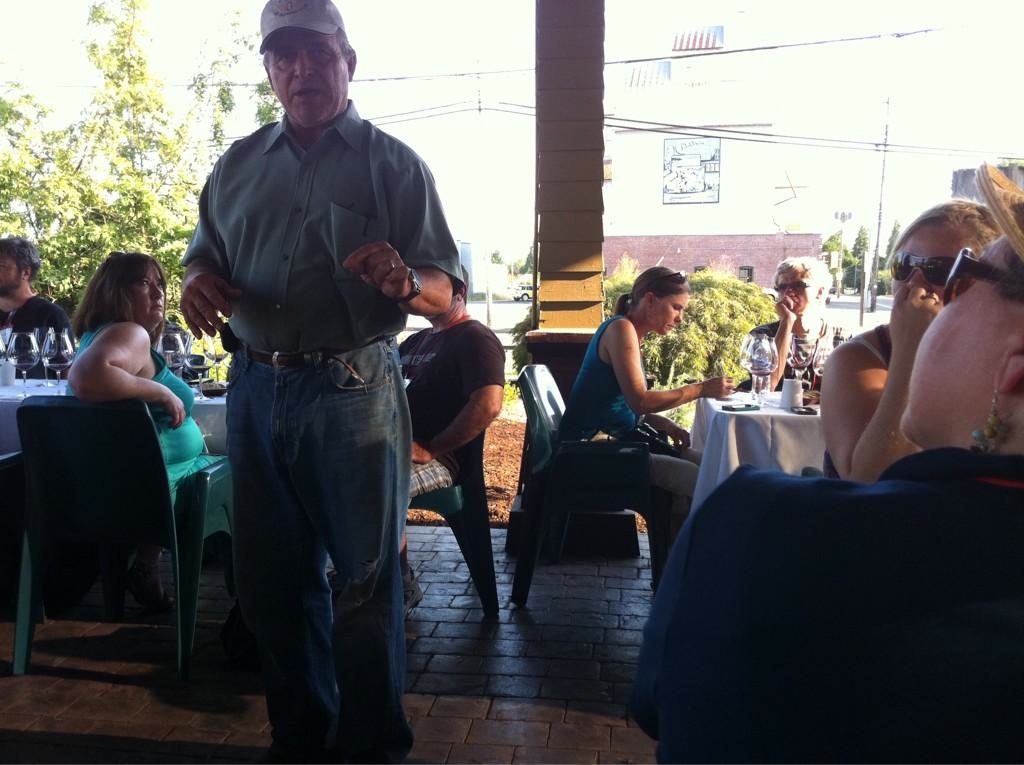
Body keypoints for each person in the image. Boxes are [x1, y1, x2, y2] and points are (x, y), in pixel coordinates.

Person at [630, 163, 1024, 763]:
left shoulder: (757, 526)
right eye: (904, 269)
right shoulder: (858, 355)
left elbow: (660, 708)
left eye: (957, 275)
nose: (915, 296)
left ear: (1014, 368)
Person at [178, 2, 461, 761]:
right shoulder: (237, 165)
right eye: (285, 56)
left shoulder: (395, 166)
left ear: (348, 61)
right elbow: (202, 255)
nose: (301, 69)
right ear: (270, 70)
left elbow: (447, 294)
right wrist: (197, 280)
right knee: (270, 584)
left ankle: (372, 748)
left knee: (365, 586)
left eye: (318, 53)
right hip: (253, 387)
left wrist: (408, 281)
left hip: (353, 391)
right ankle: (300, 740)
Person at [68, 252, 224, 611]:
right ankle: (252, 605)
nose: (159, 293)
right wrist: (161, 391)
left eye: (161, 284)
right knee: (251, 476)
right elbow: (86, 378)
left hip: (120, 489)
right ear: (115, 290)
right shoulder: (131, 332)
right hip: (155, 495)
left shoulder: (96, 336)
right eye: (143, 283)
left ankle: (146, 567)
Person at [821, 201, 999, 479]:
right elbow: (866, 482)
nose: (915, 283)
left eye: (940, 270)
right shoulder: (858, 358)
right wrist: (913, 351)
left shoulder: (1002, 358)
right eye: (904, 265)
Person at [559, 267, 734, 530]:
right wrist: (700, 389)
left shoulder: (627, 330)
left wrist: (665, 424)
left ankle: (675, 544)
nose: (680, 319)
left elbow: (623, 407)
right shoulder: (620, 329)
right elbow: (640, 401)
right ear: (650, 300)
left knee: (714, 465)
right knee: (701, 478)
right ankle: (682, 551)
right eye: (676, 308)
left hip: (613, 443)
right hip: (589, 453)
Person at [398, 268, 505, 611]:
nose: (420, 295)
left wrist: (432, 448)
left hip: (441, 462)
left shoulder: (475, 338)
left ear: (459, 291)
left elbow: (488, 404)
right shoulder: (417, 340)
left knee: (377, 484)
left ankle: (397, 583)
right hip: (393, 450)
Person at [749, 255, 831, 392]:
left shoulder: (840, 338)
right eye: (782, 287)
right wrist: (787, 321)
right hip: (776, 406)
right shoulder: (762, 336)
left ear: (820, 292)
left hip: (824, 406)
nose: (789, 291)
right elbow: (766, 386)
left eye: (798, 285)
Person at [0, 237, 72, 379]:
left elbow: (66, 373)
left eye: (1, 266)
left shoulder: (50, 315)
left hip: (35, 394)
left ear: (25, 272)